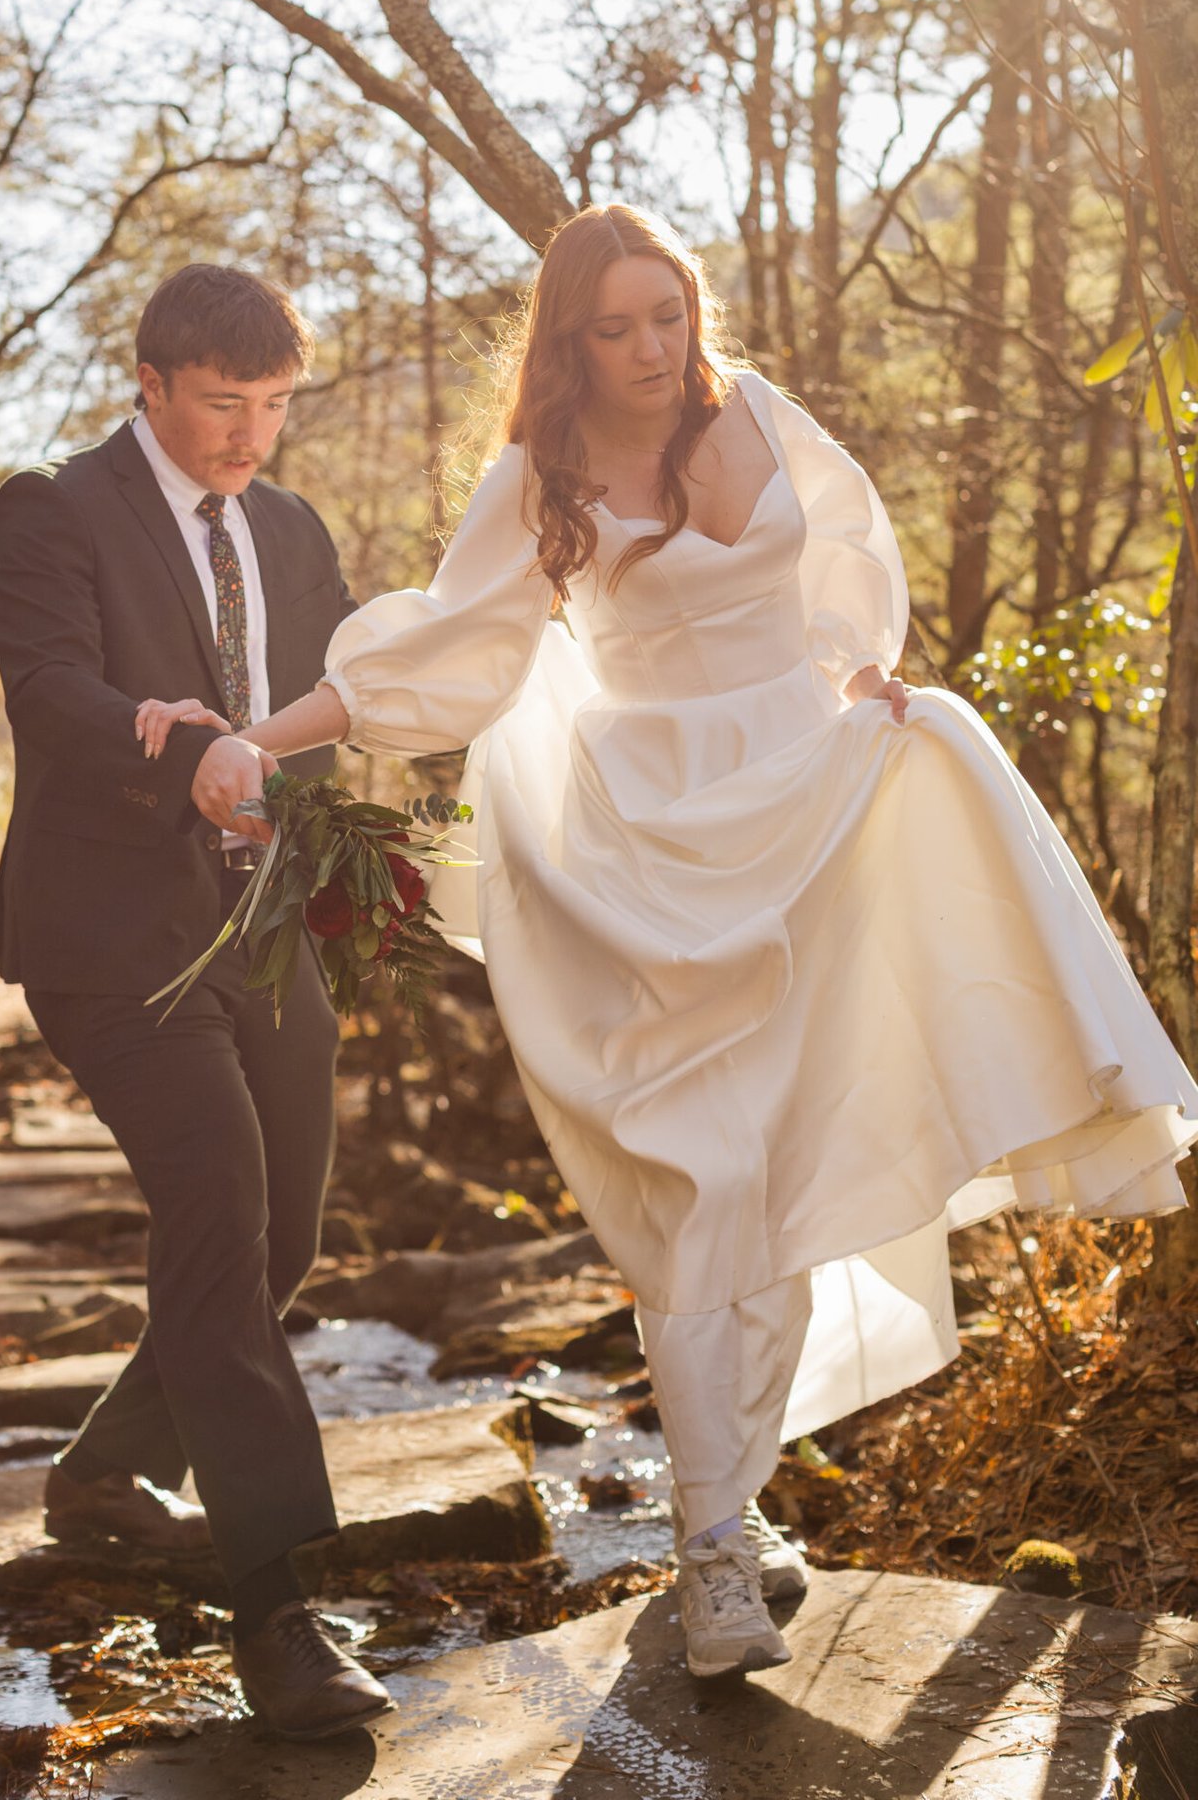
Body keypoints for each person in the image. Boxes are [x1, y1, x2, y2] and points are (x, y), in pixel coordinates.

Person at [140, 205, 1198, 1681]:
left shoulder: (757, 412)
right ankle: (712, 1557)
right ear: (569, 342)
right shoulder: (541, 476)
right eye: (616, 326)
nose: (652, 350)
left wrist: (870, 667)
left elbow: (847, 556)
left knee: (808, 1145)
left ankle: (733, 1502)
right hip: (647, 861)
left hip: (812, 820)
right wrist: (260, 738)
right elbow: (450, 651)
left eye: (669, 316)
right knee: (699, 1186)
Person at [0, 262, 392, 1740]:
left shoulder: (288, 528)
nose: (251, 438)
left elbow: (359, 687)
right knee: (217, 1209)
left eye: (276, 406)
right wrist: (189, 751)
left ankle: (99, 1477)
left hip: (267, 933)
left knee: (278, 1237)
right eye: (225, 405)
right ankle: (276, 1610)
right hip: (107, 938)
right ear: (150, 383)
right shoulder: (52, 506)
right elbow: (51, 694)